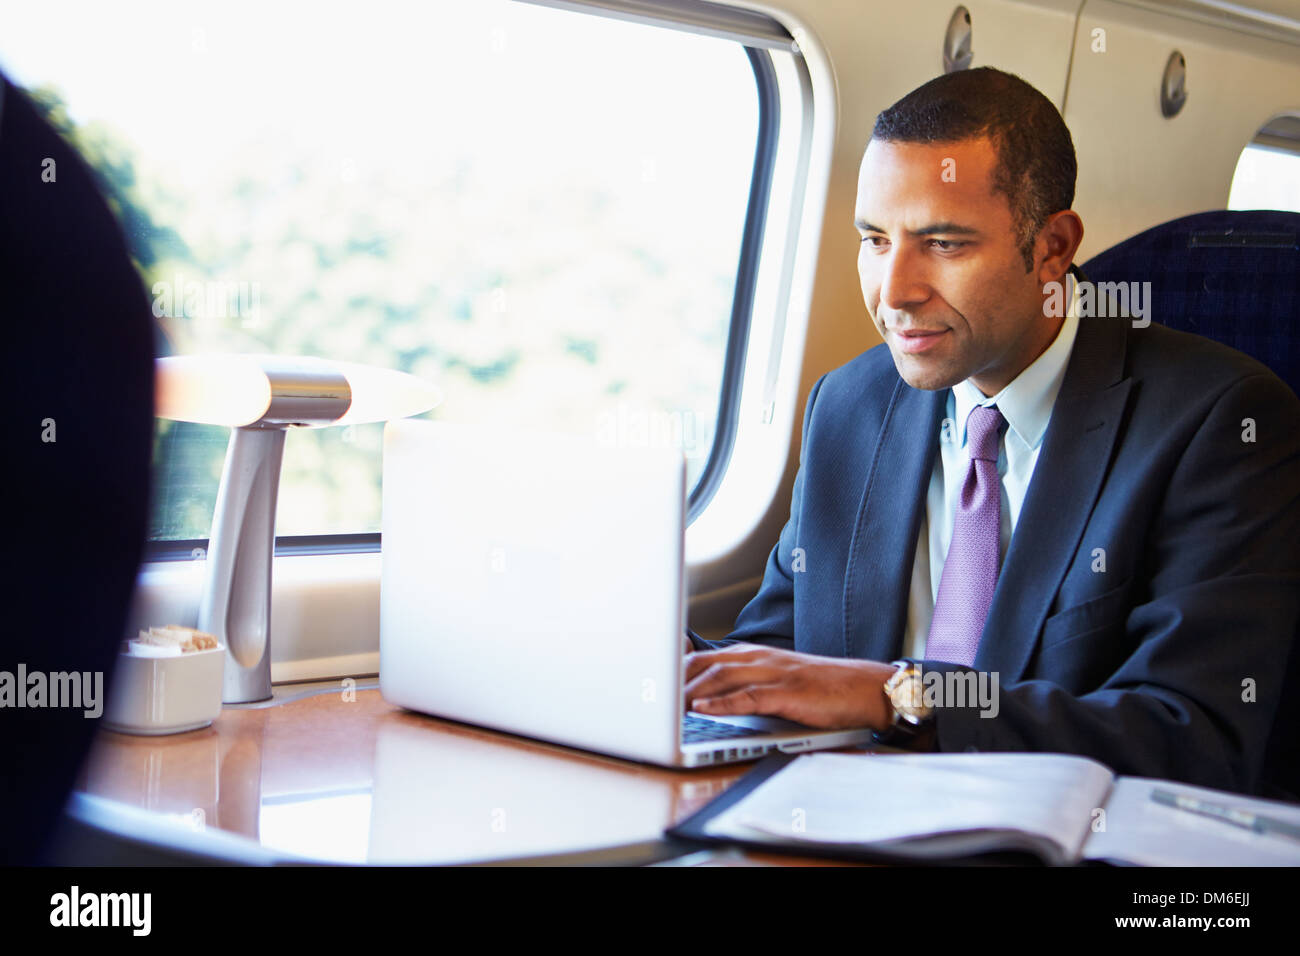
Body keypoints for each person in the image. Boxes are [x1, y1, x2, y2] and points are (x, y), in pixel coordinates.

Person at [682, 66, 1300, 797]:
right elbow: (781, 654)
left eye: (943, 243)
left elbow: (1190, 736)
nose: (895, 291)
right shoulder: (849, 404)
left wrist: (899, 696)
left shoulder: (1218, 422)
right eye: (876, 239)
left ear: (1053, 248)